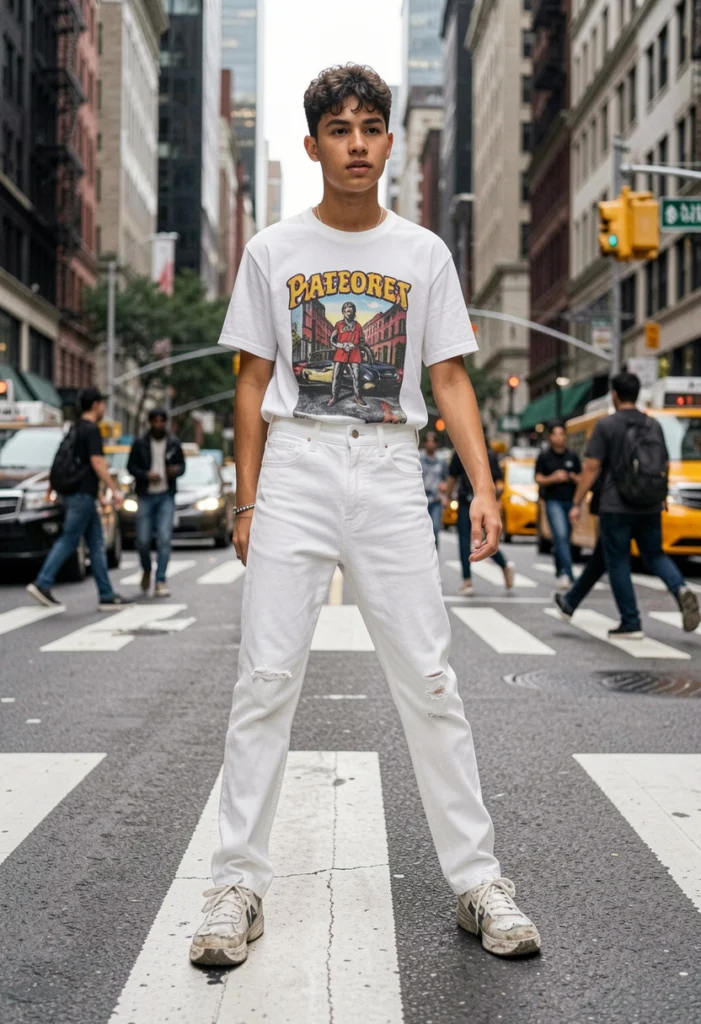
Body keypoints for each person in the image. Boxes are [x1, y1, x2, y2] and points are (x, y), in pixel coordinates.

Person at [190, 63, 540, 968]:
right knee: (265, 679)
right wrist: (247, 497)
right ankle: (236, 884)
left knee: (430, 681)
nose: (356, 143)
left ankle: (476, 881)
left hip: (389, 473)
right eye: (338, 129)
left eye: (370, 127)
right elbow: (253, 382)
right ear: (312, 145)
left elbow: (450, 377)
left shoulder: (422, 254)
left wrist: (486, 487)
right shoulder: (272, 249)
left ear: (388, 141)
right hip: (298, 463)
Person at [570, 371, 700, 638]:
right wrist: (660, 497)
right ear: (637, 394)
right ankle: (679, 588)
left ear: (615, 395)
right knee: (654, 555)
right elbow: (663, 465)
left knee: (617, 561)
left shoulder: (606, 426)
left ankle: (631, 622)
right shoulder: (653, 424)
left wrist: (577, 501)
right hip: (649, 503)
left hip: (615, 505)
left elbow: (592, 466)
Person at [27, 387, 132, 610]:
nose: (104, 407)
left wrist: (98, 494)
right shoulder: (91, 430)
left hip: (80, 494)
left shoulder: (74, 428)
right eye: (102, 403)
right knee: (70, 539)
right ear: (95, 405)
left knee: (96, 543)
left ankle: (106, 594)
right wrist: (114, 490)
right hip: (81, 496)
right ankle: (42, 582)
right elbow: (97, 464)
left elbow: (67, 461)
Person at [126, 408, 185, 597]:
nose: (159, 424)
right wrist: (146, 475)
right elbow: (130, 466)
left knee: (164, 539)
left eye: (162, 421)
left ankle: (160, 580)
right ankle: (146, 569)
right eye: (155, 421)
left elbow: (183, 466)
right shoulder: (140, 443)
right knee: (142, 541)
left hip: (166, 496)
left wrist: (174, 471)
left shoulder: (174, 443)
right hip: (146, 495)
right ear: (150, 422)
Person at [445, 442, 515, 595]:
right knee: (475, 541)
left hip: (475, 502)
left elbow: (451, 479)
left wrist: (447, 497)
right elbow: (452, 478)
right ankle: (467, 580)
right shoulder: (484, 454)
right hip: (468, 502)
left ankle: (498, 568)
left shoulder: (471, 452)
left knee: (477, 541)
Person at [534, 422, 581, 590]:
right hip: (553, 501)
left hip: (570, 501)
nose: (559, 438)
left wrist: (573, 477)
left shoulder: (572, 456)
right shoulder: (545, 456)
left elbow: (582, 478)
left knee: (564, 539)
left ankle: (559, 568)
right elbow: (538, 478)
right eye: (556, 434)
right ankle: (568, 573)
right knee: (560, 536)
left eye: (562, 434)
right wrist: (553, 478)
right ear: (550, 437)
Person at [328, 300, 367, 408]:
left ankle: (358, 397)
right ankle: (334, 397)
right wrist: (341, 345)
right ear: (343, 312)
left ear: (354, 312)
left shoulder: (358, 326)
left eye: (351, 310)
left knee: (357, 377)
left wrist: (356, 344)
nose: (349, 312)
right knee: (336, 376)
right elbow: (332, 340)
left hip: (354, 353)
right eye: (346, 310)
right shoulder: (339, 324)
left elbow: (362, 340)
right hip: (341, 353)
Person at [420, 430, 448, 545]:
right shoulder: (418, 458)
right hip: (422, 498)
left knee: (435, 528)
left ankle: (434, 555)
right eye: (428, 441)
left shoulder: (441, 461)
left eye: (433, 441)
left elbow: (446, 479)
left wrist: (445, 492)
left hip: (436, 499)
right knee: (421, 529)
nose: (430, 444)